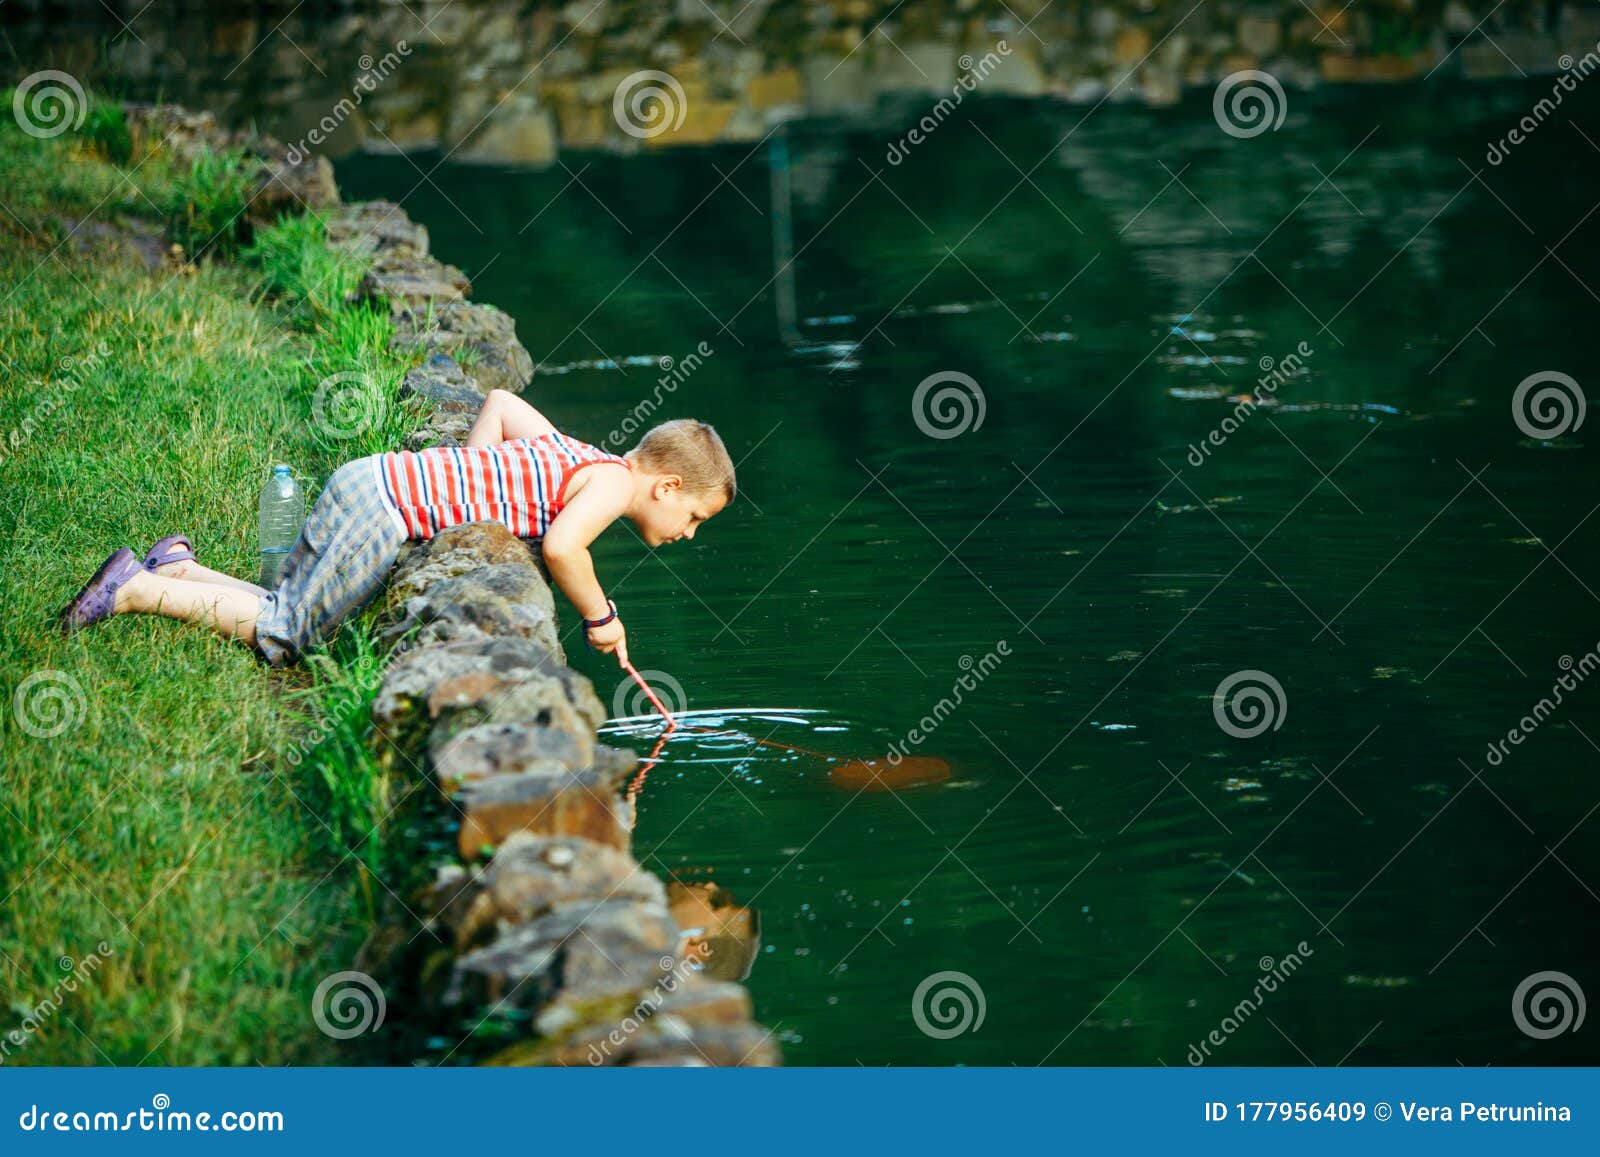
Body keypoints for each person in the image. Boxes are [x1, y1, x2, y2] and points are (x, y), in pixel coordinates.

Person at [58, 389, 735, 667]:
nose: (690, 532)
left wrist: (470, 488)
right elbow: (563, 546)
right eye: (694, 517)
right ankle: (135, 590)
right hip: (382, 511)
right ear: (667, 485)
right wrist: (600, 616)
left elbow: (498, 404)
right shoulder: (614, 484)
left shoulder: (578, 452)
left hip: (375, 479)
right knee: (288, 634)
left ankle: (178, 567)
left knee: (287, 602)